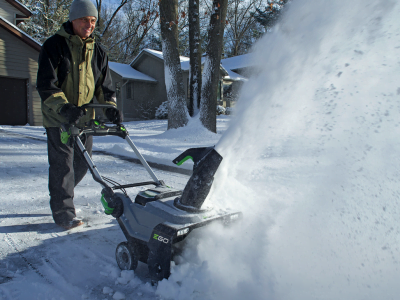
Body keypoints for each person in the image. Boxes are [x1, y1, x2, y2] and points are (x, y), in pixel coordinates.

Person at [36, 0, 122, 230]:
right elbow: (46, 84)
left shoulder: (98, 52)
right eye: (85, 19)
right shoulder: (54, 46)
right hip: (59, 119)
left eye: (93, 21)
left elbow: (106, 88)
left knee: (82, 166)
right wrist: (64, 108)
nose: (90, 24)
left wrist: (111, 108)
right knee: (63, 166)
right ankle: (63, 212)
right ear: (73, 19)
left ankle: (62, 195)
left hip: (85, 120)